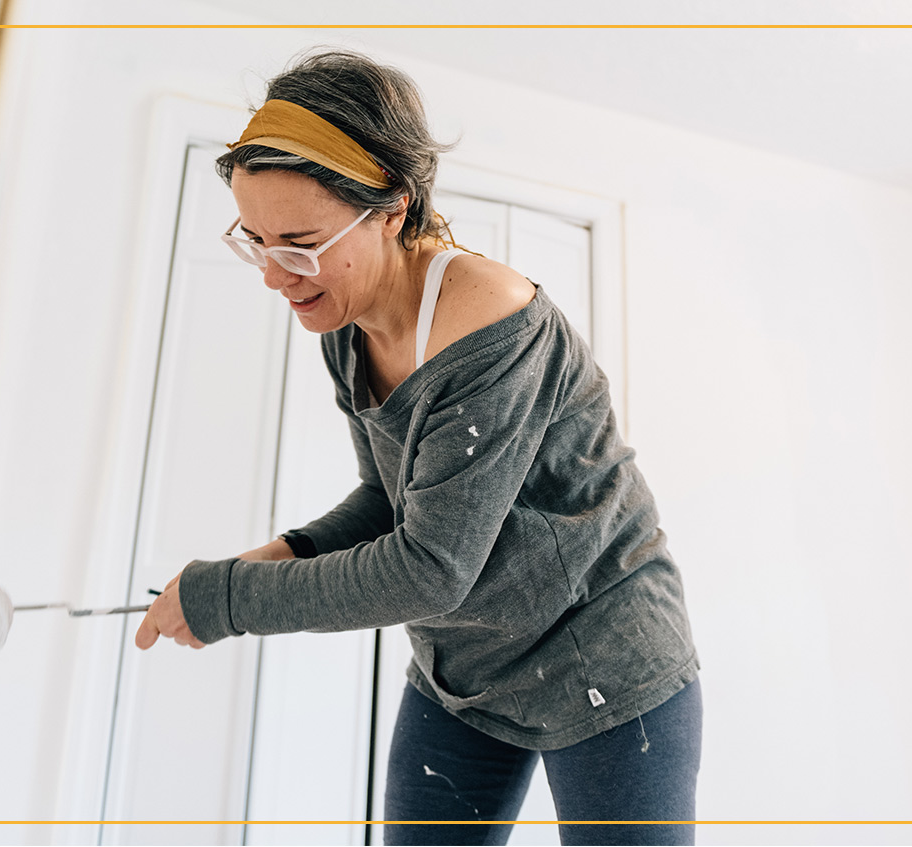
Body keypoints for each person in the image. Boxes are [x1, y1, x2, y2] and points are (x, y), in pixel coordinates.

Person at [134, 49, 702, 847]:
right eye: (256, 241)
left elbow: (432, 567)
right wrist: (277, 555)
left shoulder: (492, 322)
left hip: (604, 658)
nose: (274, 276)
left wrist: (228, 598)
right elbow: (387, 501)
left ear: (393, 208)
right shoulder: (345, 323)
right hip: (462, 673)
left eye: (298, 244)